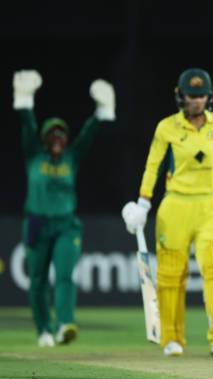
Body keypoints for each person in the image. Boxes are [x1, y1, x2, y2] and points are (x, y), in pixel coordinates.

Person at [122, 68, 213, 356]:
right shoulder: (167, 128)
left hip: (211, 204)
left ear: (209, 97)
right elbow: (153, 166)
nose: (197, 101)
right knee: (171, 274)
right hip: (175, 204)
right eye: (192, 96)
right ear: (180, 96)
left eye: (201, 96)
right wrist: (143, 202)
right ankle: (172, 338)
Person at [13, 70, 116, 347]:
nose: (58, 137)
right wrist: (24, 101)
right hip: (37, 223)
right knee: (36, 281)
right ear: (44, 138)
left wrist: (101, 111)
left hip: (66, 225)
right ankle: (43, 330)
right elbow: (27, 126)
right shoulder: (34, 154)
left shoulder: (72, 157)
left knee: (65, 275)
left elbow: (87, 135)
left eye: (62, 134)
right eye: (52, 134)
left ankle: (64, 325)